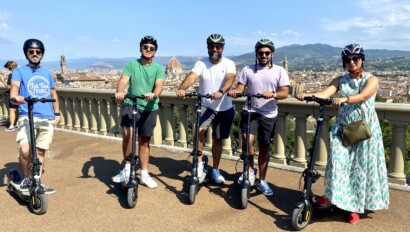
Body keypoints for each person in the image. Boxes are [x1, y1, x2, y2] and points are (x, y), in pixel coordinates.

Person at [296, 44, 389, 224]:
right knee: (336, 163)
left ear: (362, 59)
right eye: (348, 60)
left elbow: (363, 96)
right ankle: (330, 196)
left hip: (363, 130)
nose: (352, 62)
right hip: (343, 128)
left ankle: (353, 207)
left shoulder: (372, 79)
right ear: (344, 62)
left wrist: (345, 99)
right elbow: (324, 93)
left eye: (355, 58)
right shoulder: (340, 79)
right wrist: (307, 95)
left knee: (359, 169)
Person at [229, 39, 290, 196]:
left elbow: (285, 92)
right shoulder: (248, 70)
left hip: (269, 114)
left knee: (264, 147)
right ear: (256, 54)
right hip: (250, 111)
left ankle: (262, 180)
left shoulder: (279, 71)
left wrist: (274, 94)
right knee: (246, 140)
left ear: (272, 54)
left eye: (267, 53)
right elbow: (240, 88)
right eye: (260, 53)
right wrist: (236, 92)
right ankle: (249, 171)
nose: (263, 55)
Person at [176, 33, 236, 184]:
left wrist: (221, 91)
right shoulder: (201, 64)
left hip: (224, 107)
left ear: (222, 48)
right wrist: (182, 88)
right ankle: (199, 164)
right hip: (206, 106)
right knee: (199, 133)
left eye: (218, 46)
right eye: (212, 46)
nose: (215, 49)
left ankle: (215, 169)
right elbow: (192, 76)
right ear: (208, 48)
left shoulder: (229, 63)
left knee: (217, 139)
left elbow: (230, 79)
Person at [112, 35, 165, 189]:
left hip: (150, 107)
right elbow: (122, 81)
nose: (148, 50)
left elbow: (159, 85)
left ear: (155, 51)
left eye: (151, 48)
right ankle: (127, 169)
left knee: (144, 141)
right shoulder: (131, 65)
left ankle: (144, 173)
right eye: (145, 47)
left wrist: (154, 94)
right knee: (128, 135)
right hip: (131, 102)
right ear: (140, 48)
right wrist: (120, 92)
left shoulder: (158, 68)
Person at [10, 38, 60, 194]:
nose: (34, 54)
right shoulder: (19, 71)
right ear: (26, 53)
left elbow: (53, 93)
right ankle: (26, 177)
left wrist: (57, 112)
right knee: (26, 150)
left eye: (38, 52)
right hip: (27, 115)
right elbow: (14, 87)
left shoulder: (46, 72)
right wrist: (15, 97)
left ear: (42, 54)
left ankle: (37, 181)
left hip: (46, 116)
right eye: (31, 52)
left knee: (40, 152)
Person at [1, 61, 19, 131]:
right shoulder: (23, 73)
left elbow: (9, 87)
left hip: (14, 94)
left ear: (10, 67)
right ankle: (19, 124)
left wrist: (2, 80)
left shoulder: (12, 75)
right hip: (23, 94)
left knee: (12, 110)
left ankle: (11, 126)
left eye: (8, 68)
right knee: (21, 110)